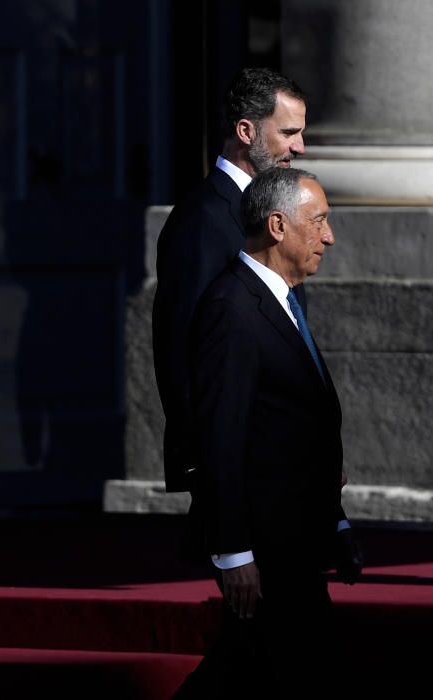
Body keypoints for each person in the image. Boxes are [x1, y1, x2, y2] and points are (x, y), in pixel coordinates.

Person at [172, 167, 362, 699]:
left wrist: (337, 524)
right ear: (278, 225)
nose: (329, 236)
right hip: (266, 548)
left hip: (297, 539)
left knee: (254, 671)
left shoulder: (282, 301)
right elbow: (221, 440)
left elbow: (303, 424)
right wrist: (234, 553)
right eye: (319, 221)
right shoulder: (232, 308)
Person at [153, 67, 307, 495]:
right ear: (246, 131)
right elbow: (181, 347)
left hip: (279, 449)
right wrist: (206, 463)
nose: (300, 146)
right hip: (234, 460)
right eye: (289, 132)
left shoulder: (272, 208)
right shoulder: (202, 220)